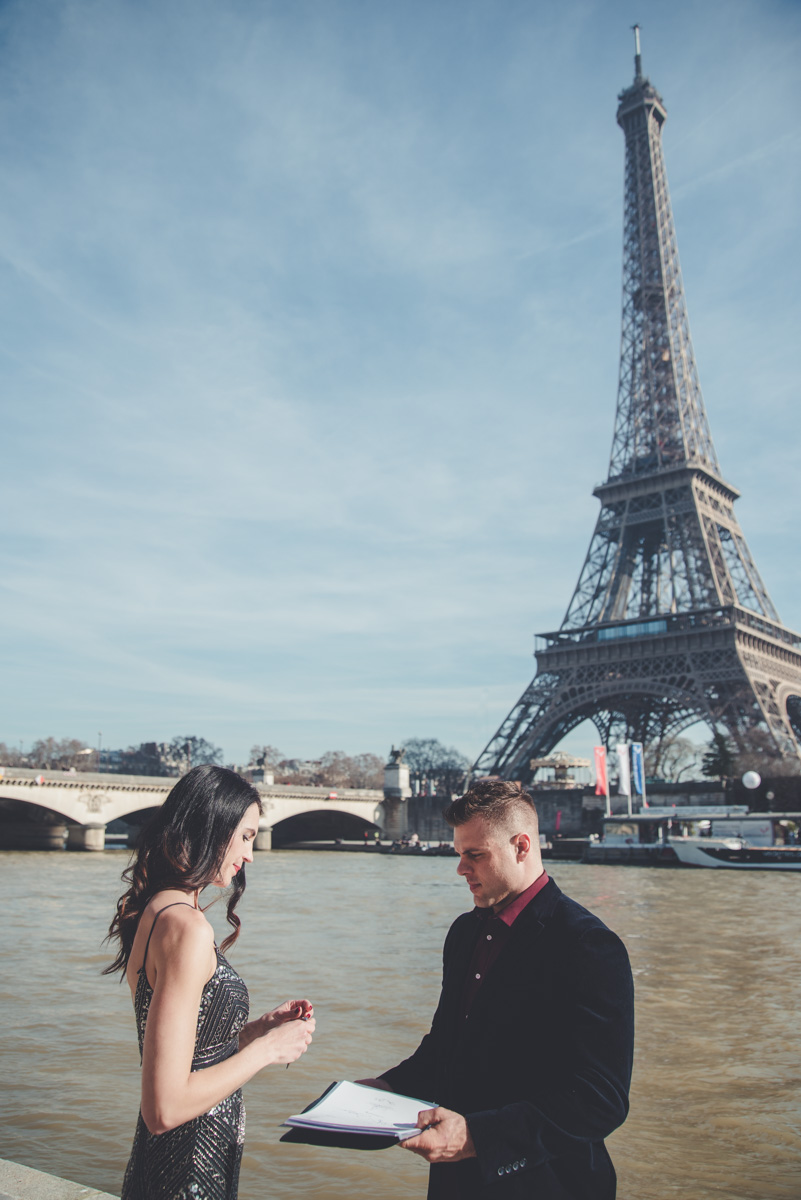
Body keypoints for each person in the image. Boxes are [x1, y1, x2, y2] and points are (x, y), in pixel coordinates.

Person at [359, 778, 634, 1199]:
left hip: (548, 1183)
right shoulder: (464, 932)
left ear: (522, 847)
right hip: (458, 1182)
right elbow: (446, 1047)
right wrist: (386, 1089)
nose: (460, 868)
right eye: (459, 854)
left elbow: (601, 1099)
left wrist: (475, 1137)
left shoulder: (588, 945)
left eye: (475, 855)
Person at [104, 765, 315, 1200]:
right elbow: (164, 1107)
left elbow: (188, 1053)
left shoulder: (156, 911)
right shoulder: (188, 928)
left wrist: (251, 1032)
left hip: (165, 1161)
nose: (250, 855)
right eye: (246, 836)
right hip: (189, 1166)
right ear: (212, 827)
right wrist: (266, 1051)